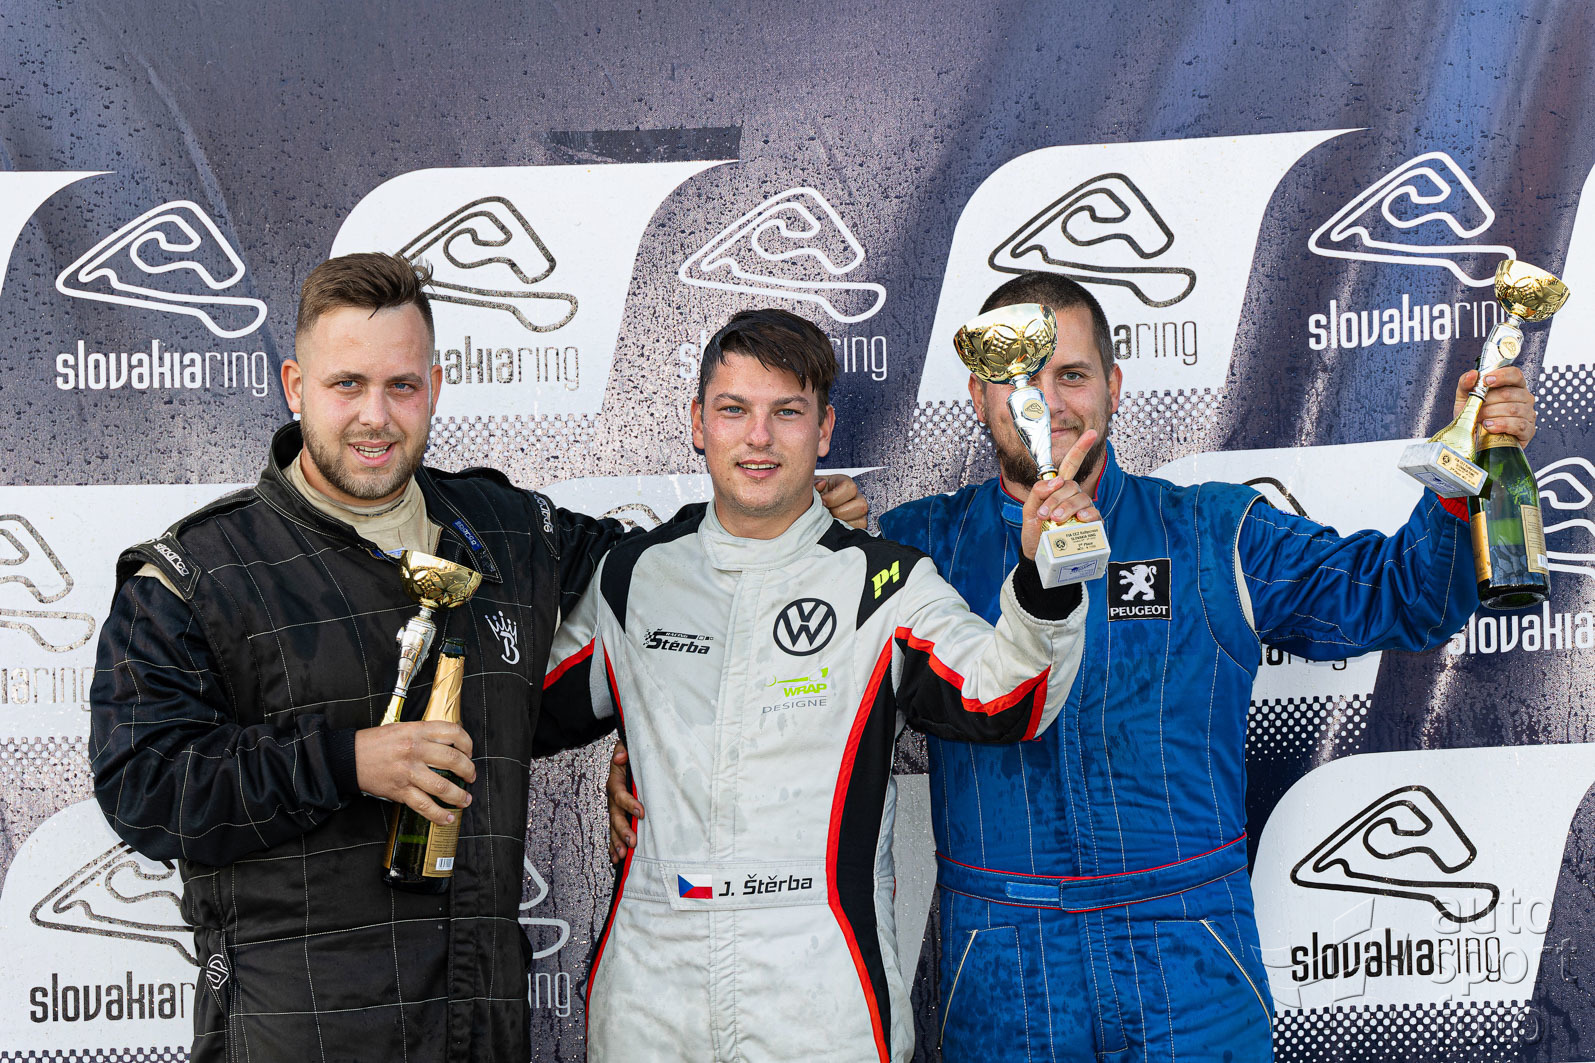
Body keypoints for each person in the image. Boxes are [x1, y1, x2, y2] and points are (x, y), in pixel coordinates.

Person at [610, 273, 1540, 1061]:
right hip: (1002, 963)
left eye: (1070, 374)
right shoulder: (909, 551)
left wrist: (1466, 474)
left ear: (1113, 386)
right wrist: (646, 762)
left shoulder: (1212, 530)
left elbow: (1399, 597)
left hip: (1189, 949)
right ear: (977, 393)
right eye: (1017, 377)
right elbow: (775, 688)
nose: (1047, 402)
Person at [87, 253, 867, 1063]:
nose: (375, 416)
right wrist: (347, 760)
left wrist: (781, 520)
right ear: (294, 386)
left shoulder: (504, 529)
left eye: (401, 386)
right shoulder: (200, 570)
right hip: (299, 1032)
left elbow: (658, 585)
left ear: (434, 384)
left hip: (479, 1023)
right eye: (346, 384)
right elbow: (143, 785)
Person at [542, 308, 1092, 1063]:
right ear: (698, 423)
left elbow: (1006, 699)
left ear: (825, 428)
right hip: (651, 993)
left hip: (823, 999)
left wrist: (1043, 580)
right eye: (733, 410)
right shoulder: (634, 577)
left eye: (787, 412)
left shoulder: (885, 581)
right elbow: (519, 713)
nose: (759, 437)